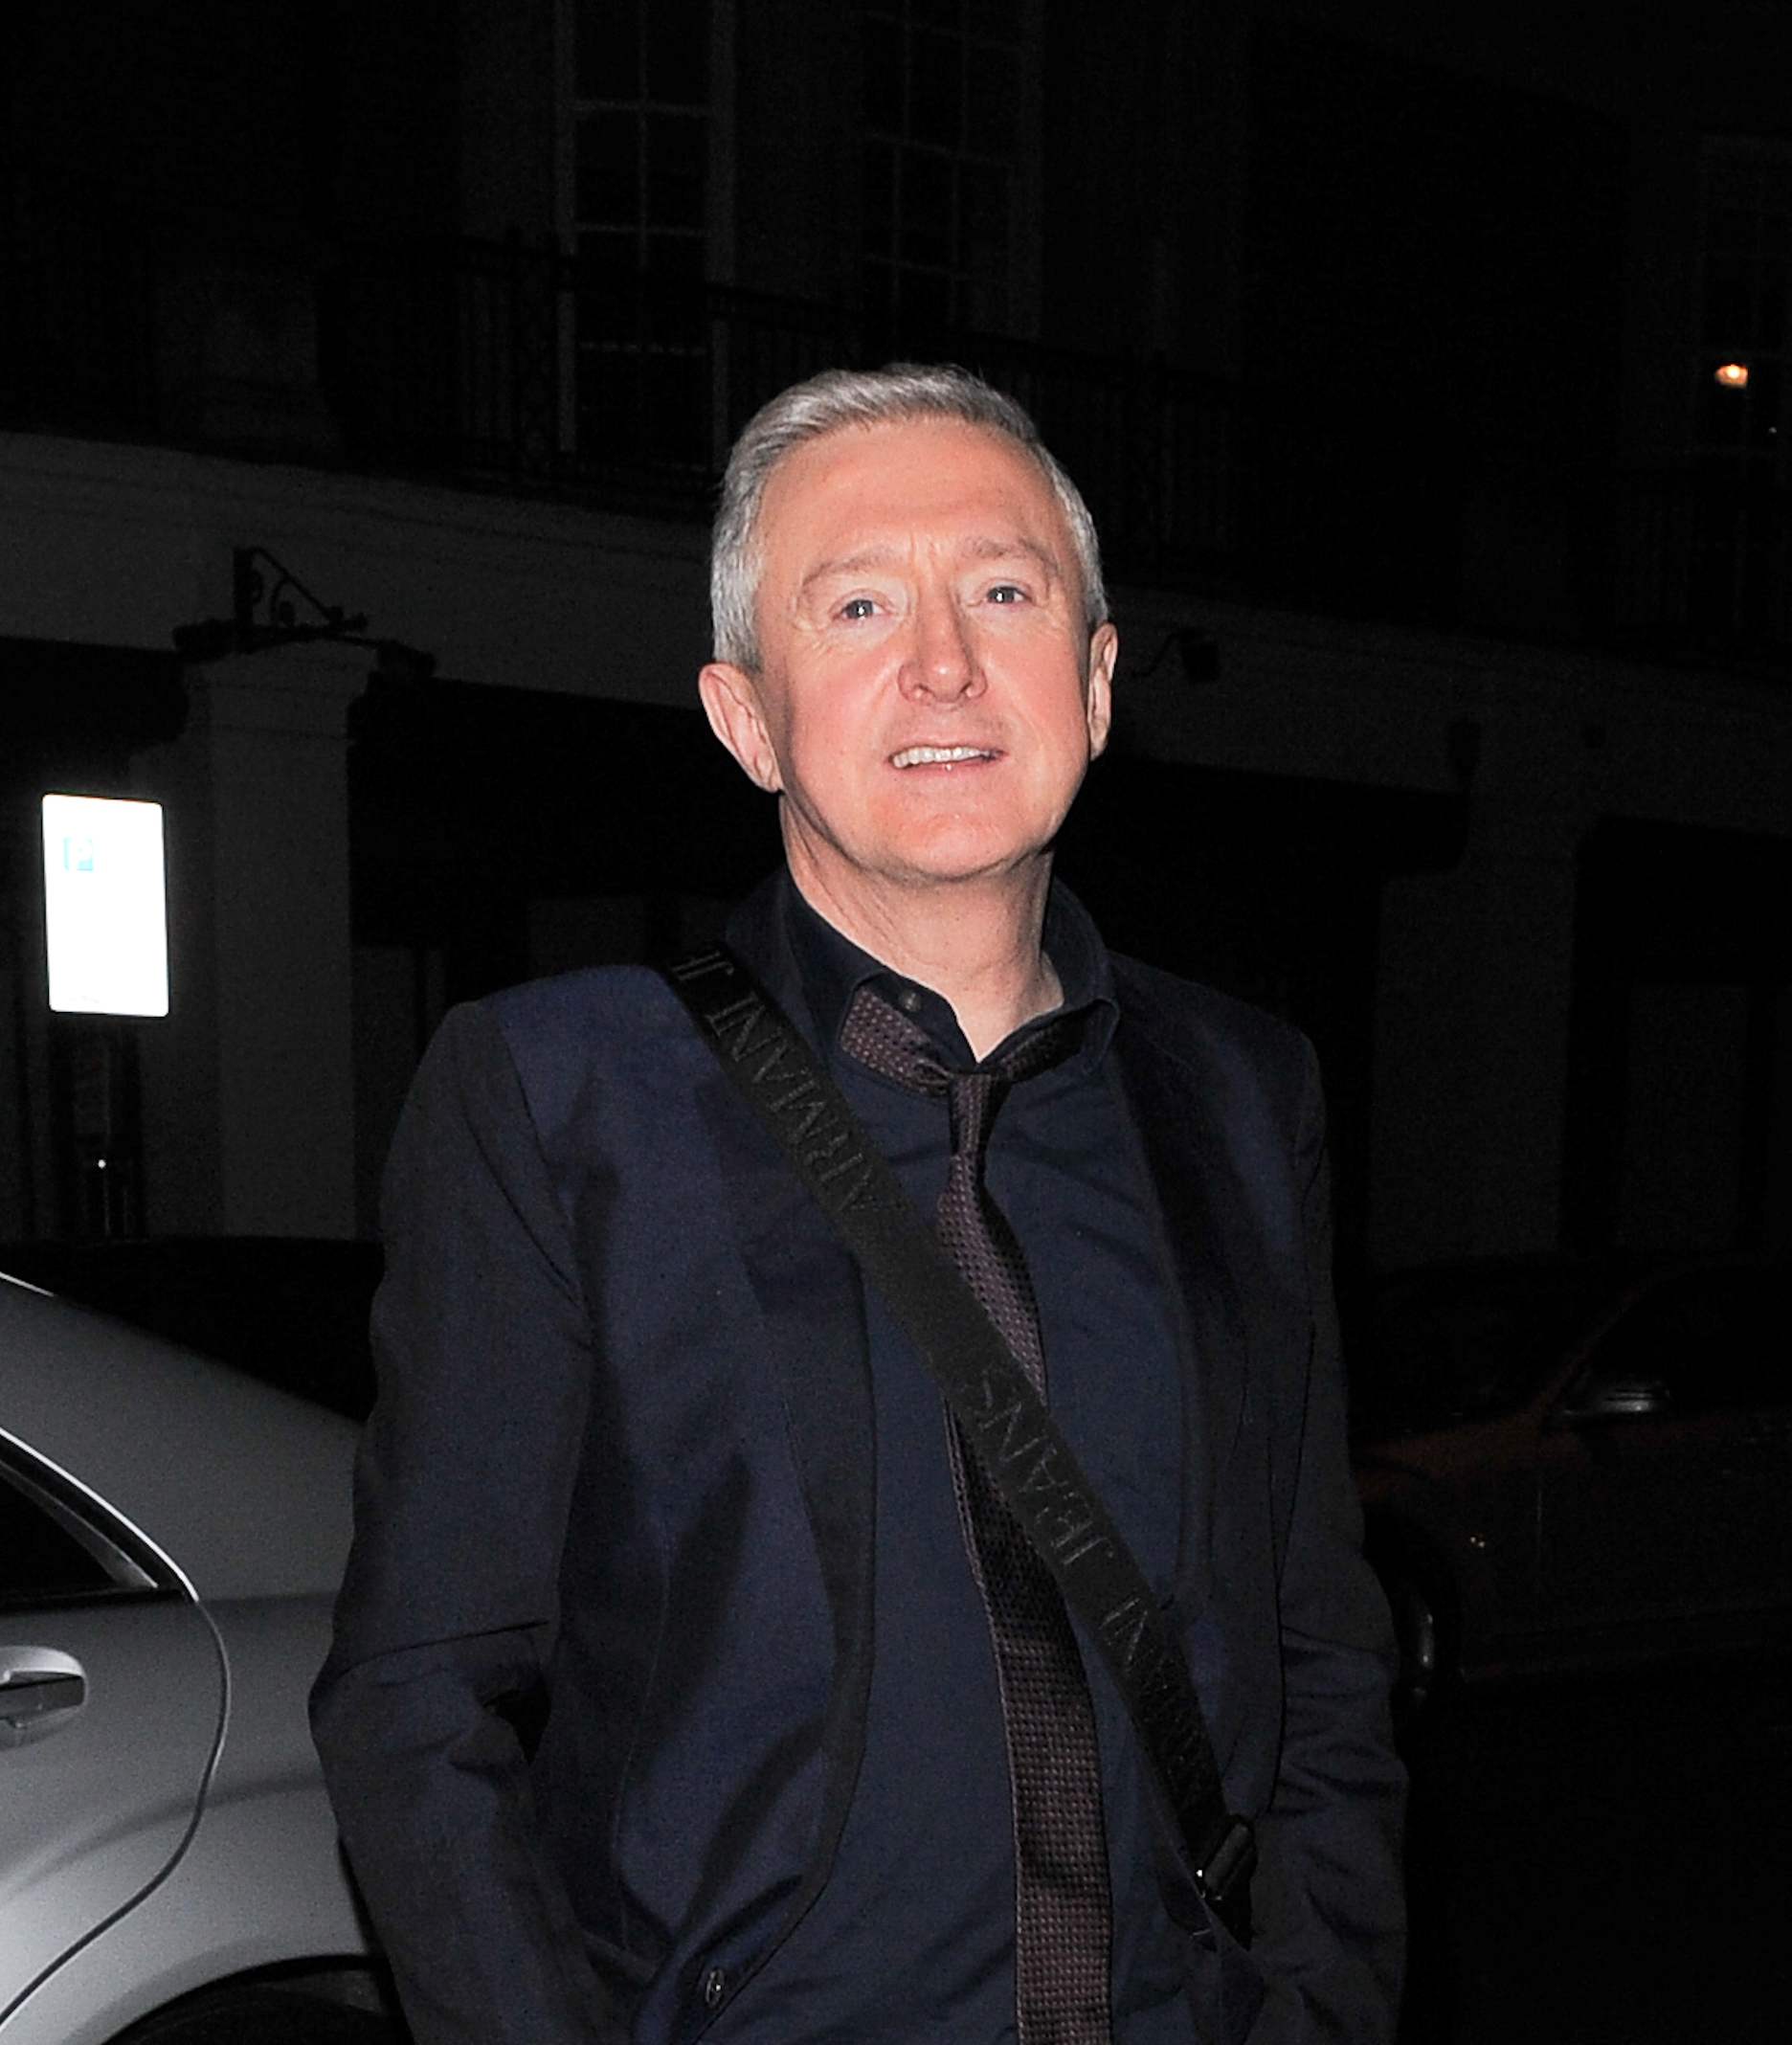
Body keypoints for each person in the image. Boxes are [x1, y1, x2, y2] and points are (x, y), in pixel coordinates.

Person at [311, 364, 1405, 2045]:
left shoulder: (1246, 1098)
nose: (946, 660)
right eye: (860, 602)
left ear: (1098, 681)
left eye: (1006, 590)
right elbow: (414, 1699)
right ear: (746, 715)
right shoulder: (560, 1092)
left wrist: (1320, 2003)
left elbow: (1315, 1637)